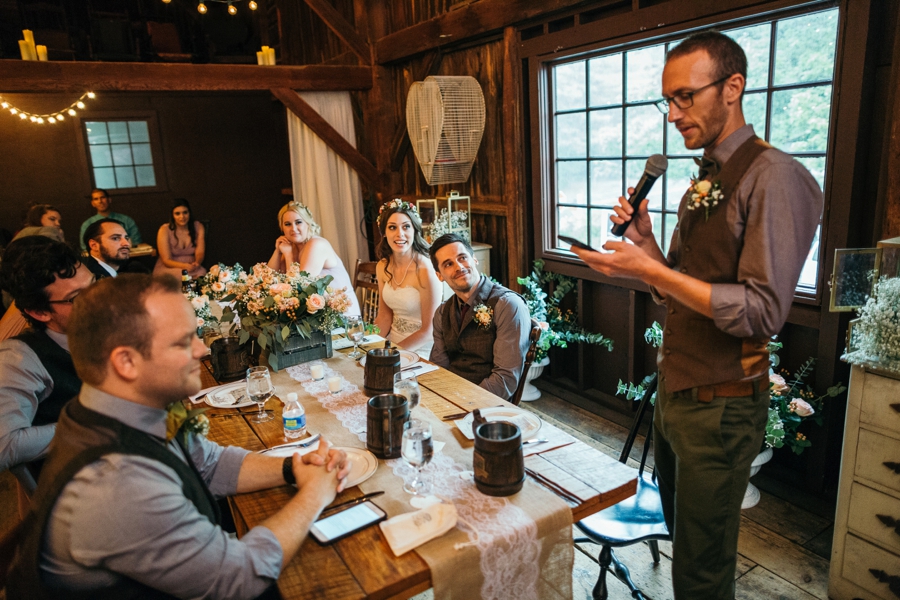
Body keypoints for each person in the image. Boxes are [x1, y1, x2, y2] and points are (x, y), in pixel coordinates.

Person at [570, 31, 822, 599]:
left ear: (732, 87)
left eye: (686, 96)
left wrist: (653, 271)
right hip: (677, 397)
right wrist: (649, 247)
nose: (674, 114)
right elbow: (679, 291)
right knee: (686, 552)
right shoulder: (700, 183)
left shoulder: (774, 176)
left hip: (724, 406)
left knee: (702, 574)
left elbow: (762, 311)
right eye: (668, 101)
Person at [7, 274, 350, 598]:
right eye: (185, 341)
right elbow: (238, 578)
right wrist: (314, 494)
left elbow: (209, 464)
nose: (202, 350)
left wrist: (293, 467)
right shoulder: (116, 480)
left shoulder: (114, 410)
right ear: (126, 362)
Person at [0, 237, 91, 494]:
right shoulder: (19, 357)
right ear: (40, 312)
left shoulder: (97, 329)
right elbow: (4, 445)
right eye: (76, 297)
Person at [429, 233, 531, 400]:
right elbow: (439, 366)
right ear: (439, 275)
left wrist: (465, 401)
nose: (459, 267)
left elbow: (505, 379)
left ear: (474, 259)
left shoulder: (507, 305)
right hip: (450, 398)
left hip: (488, 405)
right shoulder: (442, 312)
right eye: (448, 264)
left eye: (462, 258)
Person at [373, 200, 441, 358]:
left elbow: (429, 330)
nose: (400, 234)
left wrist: (391, 354)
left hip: (422, 348)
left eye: (406, 226)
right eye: (392, 227)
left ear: (415, 231)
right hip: (393, 344)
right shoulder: (382, 267)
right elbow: (384, 316)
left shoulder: (425, 270)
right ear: (384, 232)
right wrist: (369, 343)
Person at [267, 201, 360, 316]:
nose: (293, 229)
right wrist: (277, 251)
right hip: (315, 315)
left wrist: (288, 256)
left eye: (298, 222)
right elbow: (268, 279)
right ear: (282, 228)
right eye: (287, 224)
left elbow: (300, 287)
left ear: (308, 223)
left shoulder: (316, 244)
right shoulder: (292, 247)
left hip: (340, 316)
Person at [153, 198, 207, 279]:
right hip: (170, 267)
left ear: (189, 213)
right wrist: (184, 266)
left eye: (185, 212)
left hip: (191, 265)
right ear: (172, 215)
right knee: (183, 276)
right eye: (177, 214)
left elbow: (200, 252)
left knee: (201, 274)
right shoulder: (164, 230)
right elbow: (166, 260)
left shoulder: (198, 227)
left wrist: (197, 262)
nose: (182, 217)